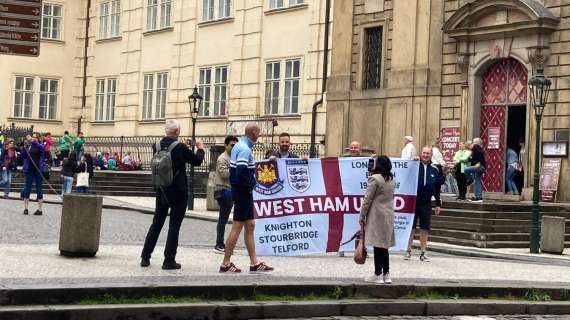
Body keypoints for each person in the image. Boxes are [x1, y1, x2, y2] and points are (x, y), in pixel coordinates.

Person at [141, 119, 205, 270]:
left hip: (161, 189)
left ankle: (145, 256)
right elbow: (196, 161)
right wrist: (200, 148)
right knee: (174, 226)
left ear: (166, 131)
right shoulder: (180, 147)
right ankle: (168, 260)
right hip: (178, 191)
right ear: (177, 131)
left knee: (156, 223)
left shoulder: (155, 145)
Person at [219, 123, 274, 273]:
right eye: (259, 133)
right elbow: (242, 170)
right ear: (254, 133)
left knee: (250, 226)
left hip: (242, 192)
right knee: (237, 227)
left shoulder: (241, 145)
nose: (260, 135)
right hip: (243, 192)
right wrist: (252, 184)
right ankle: (225, 263)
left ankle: (254, 263)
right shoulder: (244, 148)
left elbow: (245, 167)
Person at [360, 156, 395, 284]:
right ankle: (387, 273)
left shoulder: (374, 179)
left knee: (377, 245)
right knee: (384, 245)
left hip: (376, 215)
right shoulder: (391, 179)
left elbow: (367, 199)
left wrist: (362, 215)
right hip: (388, 214)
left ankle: (377, 274)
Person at [405, 146, 441, 262]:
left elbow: (437, 188)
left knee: (425, 228)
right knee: (411, 227)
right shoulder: (414, 165)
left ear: (431, 155)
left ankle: (423, 252)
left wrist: (438, 204)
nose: (425, 155)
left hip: (426, 203)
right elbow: (404, 173)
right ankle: (408, 251)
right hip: (413, 201)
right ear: (421, 154)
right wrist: (412, 161)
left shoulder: (435, 169)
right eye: (424, 153)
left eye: (428, 153)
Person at [213, 135, 238, 253]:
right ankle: (219, 244)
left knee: (224, 217)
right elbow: (224, 174)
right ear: (226, 145)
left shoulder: (233, 157)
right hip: (223, 190)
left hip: (229, 190)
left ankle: (222, 243)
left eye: (236, 145)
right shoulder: (222, 158)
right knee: (223, 218)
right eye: (232, 145)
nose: (234, 147)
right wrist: (237, 167)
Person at [20, 133, 45, 216]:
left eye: (35, 137)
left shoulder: (40, 146)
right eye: (32, 137)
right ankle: (26, 208)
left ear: (38, 138)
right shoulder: (29, 146)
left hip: (38, 171)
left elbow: (41, 148)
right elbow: (23, 156)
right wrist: (24, 147)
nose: (33, 139)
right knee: (28, 188)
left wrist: (32, 141)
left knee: (39, 189)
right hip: (29, 171)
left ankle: (40, 209)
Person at [464, 138, 486, 203]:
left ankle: (470, 180)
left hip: (480, 166)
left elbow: (480, 154)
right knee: (477, 181)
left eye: (473, 141)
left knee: (465, 170)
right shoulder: (476, 148)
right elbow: (475, 158)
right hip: (482, 167)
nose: (472, 143)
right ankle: (478, 197)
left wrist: (479, 162)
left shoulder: (476, 146)